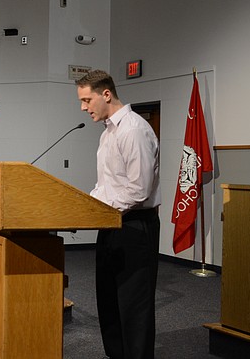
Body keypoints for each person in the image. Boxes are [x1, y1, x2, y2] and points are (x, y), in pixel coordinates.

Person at [75, 70, 161, 359]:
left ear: (106, 94)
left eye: (87, 100)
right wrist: (81, 206)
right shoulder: (108, 133)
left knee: (133, 306)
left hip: (134, 226)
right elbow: (106, 186)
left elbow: (139, 189)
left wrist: (100, 211)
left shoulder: (133, 129)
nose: (84, 107)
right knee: (110, 300)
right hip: (110, 223)